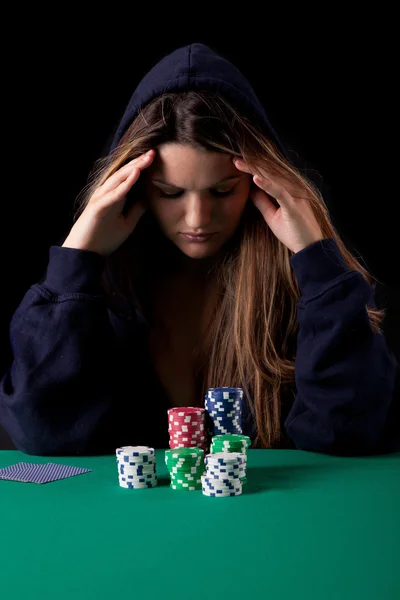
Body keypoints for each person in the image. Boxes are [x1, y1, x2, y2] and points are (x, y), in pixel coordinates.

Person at [0, 43, 399, 457]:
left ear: (260, 181)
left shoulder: (298, 284)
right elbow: (41, 430)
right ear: (135, 187)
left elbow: (351, 434)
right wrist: (75, 259)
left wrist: (318, 259)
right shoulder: (101, 291)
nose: (197, 219)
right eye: (170, 193)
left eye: (223, 190)